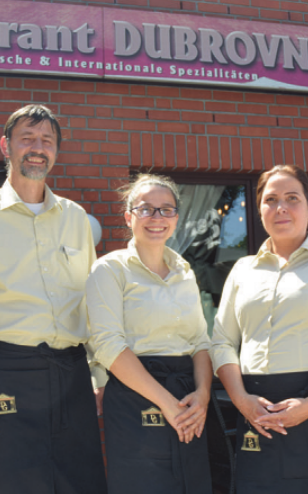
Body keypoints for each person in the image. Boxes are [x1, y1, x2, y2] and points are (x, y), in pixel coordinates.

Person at [0, 104, 107, 494]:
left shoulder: (76, 217)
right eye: (27, 139)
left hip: (71, 376)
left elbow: (92, 304)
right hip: (7, 374)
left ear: (56, 151)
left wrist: (99, 374)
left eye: (46, 141)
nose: (37, 148)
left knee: (80, 483)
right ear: (6, 146)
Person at [211, 164, 308, 494]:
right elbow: (222, 342)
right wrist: (241, 400)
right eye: (271, 199)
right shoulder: (241, 270)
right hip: (255, 411)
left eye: (292, 198)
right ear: (259, 210)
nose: (281, 207)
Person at [86, 174, 213, 494]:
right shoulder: (109, 269)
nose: (157, 218)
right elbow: (108, 346)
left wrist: (203, 396)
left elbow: (200, 341)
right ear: (129, 217)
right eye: (146, 209)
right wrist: (168, 406)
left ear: (176, 219)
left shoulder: (185, 271)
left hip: (187, 398)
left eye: (166, 209)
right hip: (136, 397)